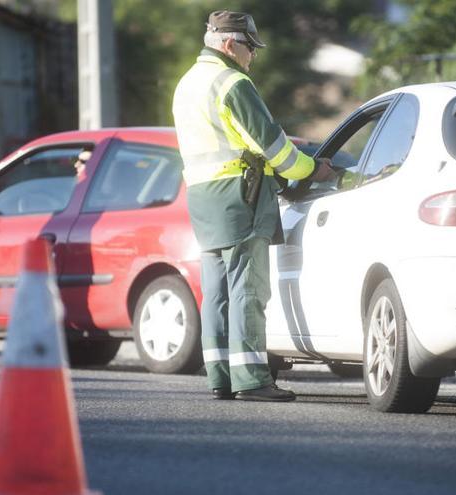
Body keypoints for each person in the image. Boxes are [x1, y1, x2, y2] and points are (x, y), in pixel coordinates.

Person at [172, 11, 336, 401]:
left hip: (203, 201)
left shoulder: (187, 84)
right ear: (230, 44)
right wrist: (313, 170)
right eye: (250, 47)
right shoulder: (232, 82)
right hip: (239, 197)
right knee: (249, 289)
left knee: (216, 292)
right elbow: (276, 148)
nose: (253, 56)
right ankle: (252, 380)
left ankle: (221, 376)